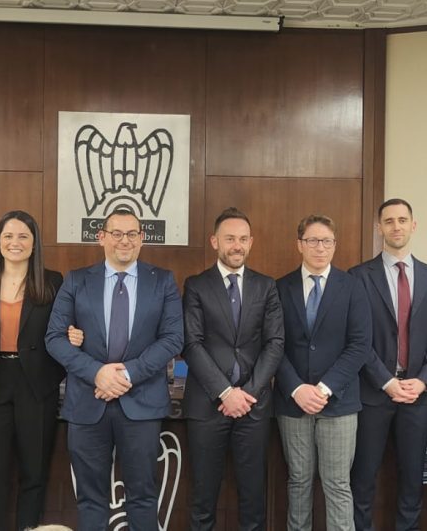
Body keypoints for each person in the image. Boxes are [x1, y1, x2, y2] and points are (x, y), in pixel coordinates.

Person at [45, 208, 183, 531]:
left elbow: (173, 338)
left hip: (142, 402)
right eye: (116, 233)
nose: (125, 240)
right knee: (90, 499)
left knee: (143, 497)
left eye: (132, 234)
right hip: (87, 401)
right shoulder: (76, 280)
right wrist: (98, 373)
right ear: (101, 237)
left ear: (142, 239)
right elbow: (54, 338)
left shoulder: (162, 281)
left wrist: (126, 375)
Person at [349, 198, 427, 531]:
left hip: (418, 395)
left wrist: (423, 381)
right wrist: (386, 381)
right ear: (379, 227)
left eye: (402, 220)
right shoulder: (359, 277)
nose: (396, 227)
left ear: (413, 225)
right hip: (373, 393)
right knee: (363, 477)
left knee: (412, 479)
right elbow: (357, 339)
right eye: (389, 221)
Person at [182, 207, 285, 531]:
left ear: (251, 242)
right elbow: (192, 344)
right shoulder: (196, 285)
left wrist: (247, 394)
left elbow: (275, 343)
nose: (236, 245)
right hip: (207, 405)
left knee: (254, 499)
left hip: (253, 407)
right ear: (215, 241)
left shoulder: (266, 286)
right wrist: (226, 392)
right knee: (203, 497)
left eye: (242, 239)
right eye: (229, 239)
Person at [0, 210, 65, 530]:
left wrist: (74, 334)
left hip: (37, 384)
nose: (15, 242)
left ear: (34, 244)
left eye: (23, 236)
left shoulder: (53, 282)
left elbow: (64, 328)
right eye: (8, 236)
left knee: (34, 473)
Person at [274, 214, 372, 531]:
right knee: (298, 482)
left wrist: (324, 388)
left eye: (327, 241)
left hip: (339, 402)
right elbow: (274, 345)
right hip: (293, 403)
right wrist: (296, 389)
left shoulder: (353, 287)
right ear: (299, 245)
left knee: (338, 484)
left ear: (335, 245)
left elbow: (360, 345)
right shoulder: (280, 287)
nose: (320, 248)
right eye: (313, 241)